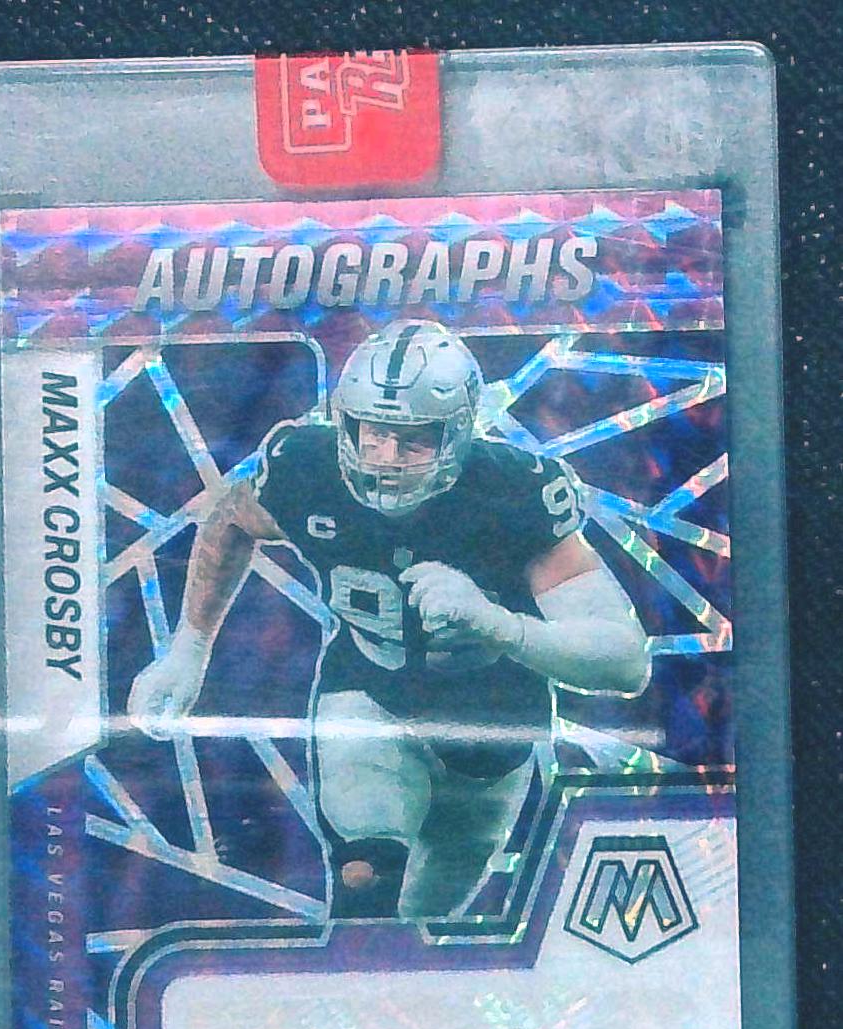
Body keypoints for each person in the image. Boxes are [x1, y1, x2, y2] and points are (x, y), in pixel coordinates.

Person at [129, 320, 649, 920]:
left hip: (494, 724)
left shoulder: (513, 493)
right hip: (369, 691)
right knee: (366, 879)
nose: (387, 459)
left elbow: (625, 662)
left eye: (414, 441)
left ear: (458, 434)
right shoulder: (306, 467)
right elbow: (231, 519)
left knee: (428, 917)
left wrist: (498, 625)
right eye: (373, 433)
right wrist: (188, 650)